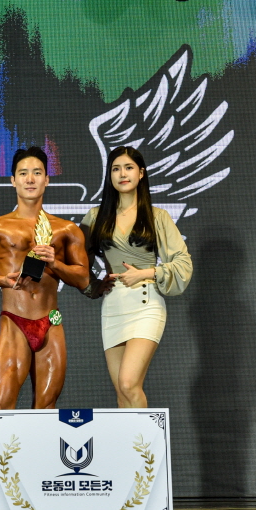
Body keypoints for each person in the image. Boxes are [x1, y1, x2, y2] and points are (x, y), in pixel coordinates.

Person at [0, 147, 90, 410]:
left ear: (47, 179)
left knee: (46, 407)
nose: (30, 179)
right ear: (13, 180)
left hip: (51, 321)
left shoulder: (67, 229)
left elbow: (83, 279)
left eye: (37, 173)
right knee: (2, 405)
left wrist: (55, 263)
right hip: (14, 320)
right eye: (23, 173)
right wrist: (2, 280)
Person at [80, 146, 191, 409]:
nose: (122, 174)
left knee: (129, 383)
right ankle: (132, 438)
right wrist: (93, 285)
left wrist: (148, 272)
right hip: (113, 306)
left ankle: (147, 438)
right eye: (116, 169)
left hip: (146, 303)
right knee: (122, 392)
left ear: (141, 173)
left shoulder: (157, 216)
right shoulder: (95, 216)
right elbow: (77, 260)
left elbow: (183, 263)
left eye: (128, 168)